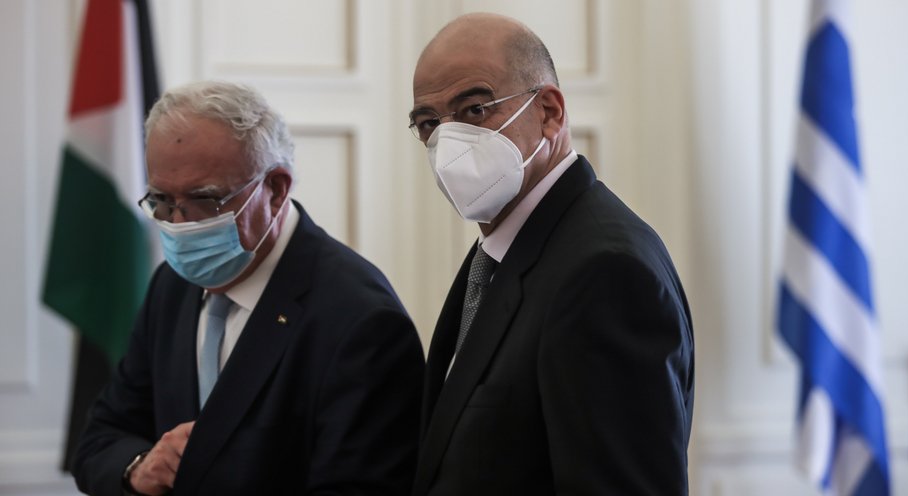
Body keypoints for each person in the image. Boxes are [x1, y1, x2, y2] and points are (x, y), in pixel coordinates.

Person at [71, 81, 424, 495]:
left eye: (205, 199)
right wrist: (140, 467)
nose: (180, 224)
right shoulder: (172, 285)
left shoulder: (361, 321)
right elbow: (99, 440)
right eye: (162, 200)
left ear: (275, 189)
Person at [408, 13, 695, 495]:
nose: (447, 142)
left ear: (549, 112)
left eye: (474, 110)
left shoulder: (606, 273)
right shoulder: (502, 253)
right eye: (429, 124)